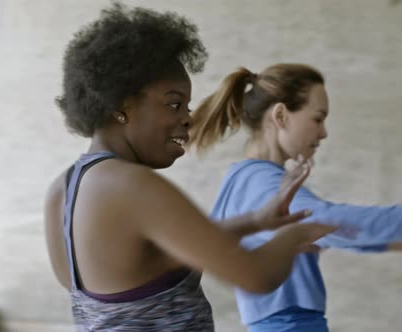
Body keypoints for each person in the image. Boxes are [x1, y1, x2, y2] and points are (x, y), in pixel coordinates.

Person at [44, 5, 335, 331]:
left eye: (187, 105)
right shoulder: (133, 185)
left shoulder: (63, 190)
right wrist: (298, 234)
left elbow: (154, 260)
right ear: (122, 105)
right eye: (174, 103)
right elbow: (257, 275)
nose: (189, 118)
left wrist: (254, 221)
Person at [188, 63, 402, 332]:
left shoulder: (247, 179)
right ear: (280, 115)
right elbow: (326, 221)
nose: (323, 132)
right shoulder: (261, 182)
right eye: (318, 118)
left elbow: (333, 230)